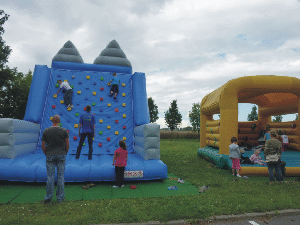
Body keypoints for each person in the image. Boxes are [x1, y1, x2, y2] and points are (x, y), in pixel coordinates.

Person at [41, 115, 69, 204]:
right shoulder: (64, 131)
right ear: (59, 121)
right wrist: (65, 152)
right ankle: (60, 199)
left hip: (50, 155)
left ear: (52, 121)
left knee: (50, 177)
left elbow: (43, 145)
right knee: (60, 177)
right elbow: (67, 144)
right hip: (61, 154)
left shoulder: (46, 131)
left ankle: (48, 198)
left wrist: (46, 153)